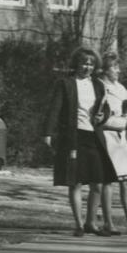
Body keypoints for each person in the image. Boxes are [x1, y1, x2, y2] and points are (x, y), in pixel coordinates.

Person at [46, 47, 112, 236]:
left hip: (94, 136)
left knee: (97, 183)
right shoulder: (65, 83)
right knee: (75, 182)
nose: (87, 67)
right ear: (76, 63)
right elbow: (55, 109)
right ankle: (79, 224)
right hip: (74, 137)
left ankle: (92, 222)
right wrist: (48, 132)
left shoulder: (98, 85)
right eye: (84, 63)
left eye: (91, 64)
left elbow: (105, 108)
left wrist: (102, 117)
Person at [96, 53, 127, 236]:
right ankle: (109, 222)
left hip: (126, 138)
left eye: (118, 67)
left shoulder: (121, 88)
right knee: (108, 180)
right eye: (113, 67)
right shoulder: (100, 88)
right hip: (109, 137)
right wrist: (124, 122)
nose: (117, 71)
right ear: (104, 70)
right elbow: (100, 118)